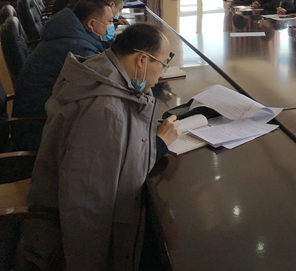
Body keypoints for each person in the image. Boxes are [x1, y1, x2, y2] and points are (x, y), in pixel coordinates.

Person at [20, 24, 182, 271]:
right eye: (162, 65)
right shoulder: (105, 111)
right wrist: (158, 144)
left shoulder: (99, 69)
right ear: (141, 60)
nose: (161, 75)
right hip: (67, 243)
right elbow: (88, 208)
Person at [11, 0, 115, 150]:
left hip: (43, 115)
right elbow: (101, 85)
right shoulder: (77, 48)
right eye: (110, 21)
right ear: (91, 24)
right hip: (38, 127)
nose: (113, 26)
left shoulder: (70, 33)